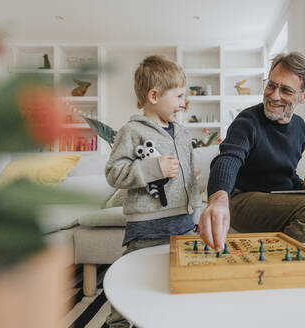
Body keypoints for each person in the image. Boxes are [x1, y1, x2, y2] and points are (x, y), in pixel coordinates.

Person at [199, 51, 305, 251]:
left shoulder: (299, 127)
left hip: (280, 199)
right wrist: (218, 198)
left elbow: (285, 172)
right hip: (244, 199)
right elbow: (228, 158)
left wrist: (303, 187)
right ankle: (275, 264)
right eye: (271, 85)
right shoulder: (247, 121)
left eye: (286, 90)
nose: (273, 95)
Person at [105, 55, 201, 327]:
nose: (185, 103)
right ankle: (119, 324)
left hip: (182, 225)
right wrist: (151, 168)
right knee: (134, 282)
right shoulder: (131, 131)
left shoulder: (182, 133)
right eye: (180, 96)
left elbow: (191, 179)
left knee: (177, 283)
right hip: (146, 228)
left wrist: (198, 213)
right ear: (154, 95)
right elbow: (113, 173)